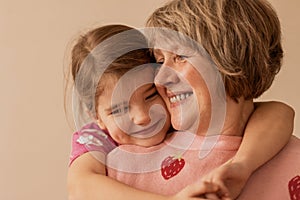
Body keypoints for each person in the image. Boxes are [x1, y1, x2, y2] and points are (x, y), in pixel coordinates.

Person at [66, 23, 294, 200]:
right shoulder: (97, 137)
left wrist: (242, 164)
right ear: (97, 117)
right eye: (119, 109)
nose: (143, 117)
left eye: (150, 95)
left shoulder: (177, 115)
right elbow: (81, 187)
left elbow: (279, 111)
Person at [140, 0, 300, 199]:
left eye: (180, 56)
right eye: (160, 61)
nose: (160, 78)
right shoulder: (130, 158)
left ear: (232, 57)